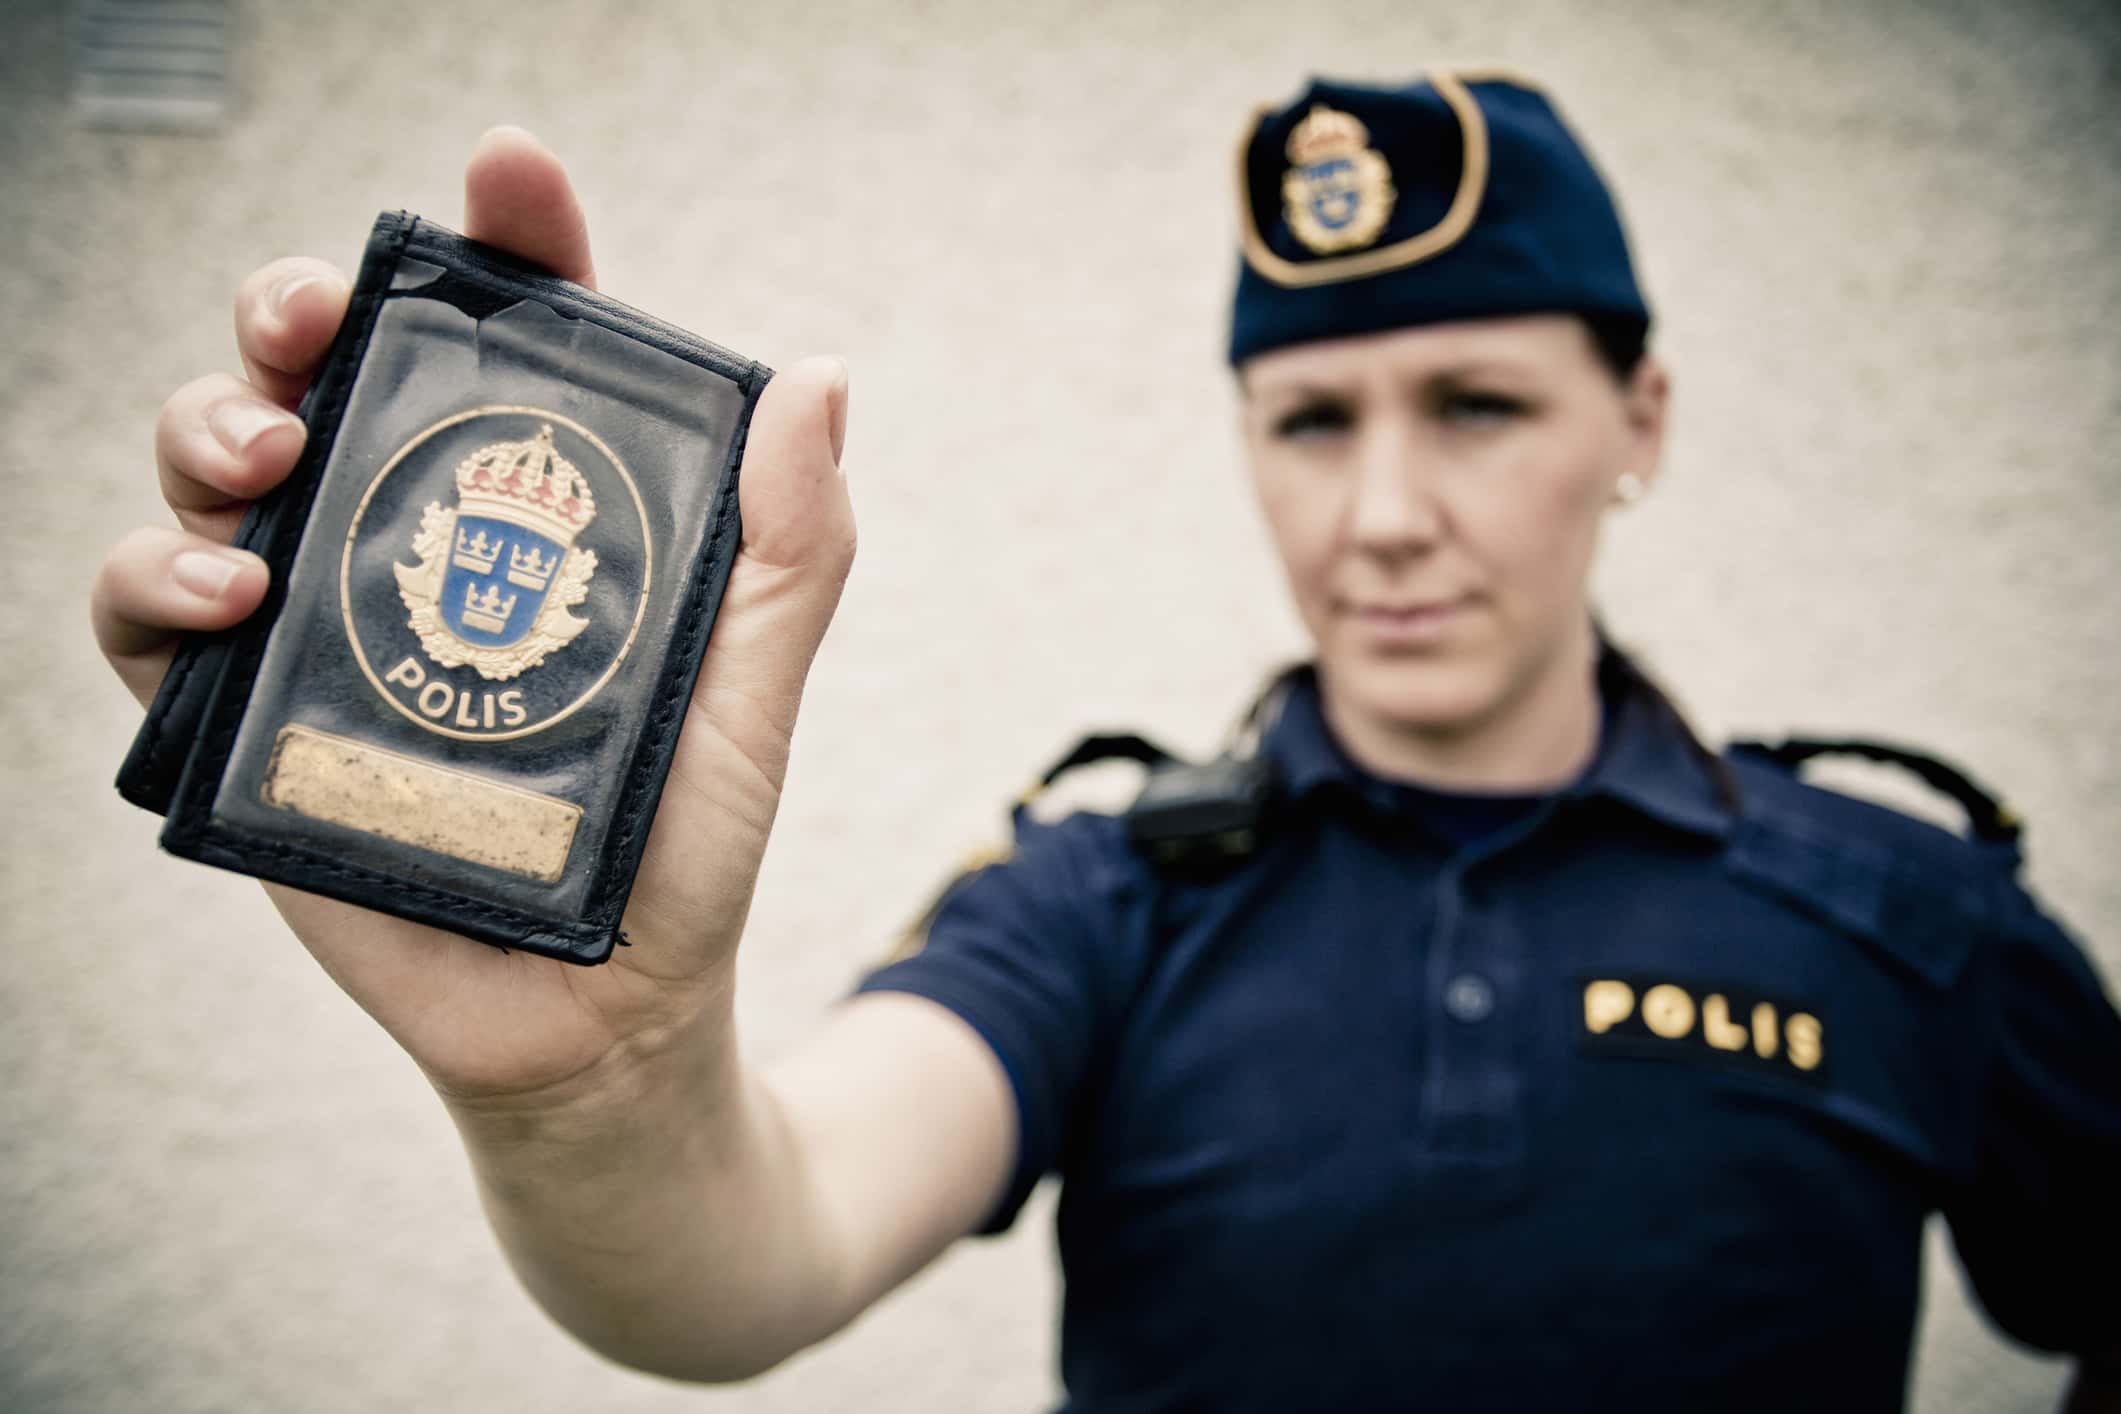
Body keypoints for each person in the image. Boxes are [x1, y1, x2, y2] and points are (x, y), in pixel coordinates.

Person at [90, 72, 2120, 1412]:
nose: (1380, 514)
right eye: (1310, 421)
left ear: (1637, 421)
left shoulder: (1906, 910)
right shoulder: (1105, 898)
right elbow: (745, 1259)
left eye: (1475, 406)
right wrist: (593, 1083)